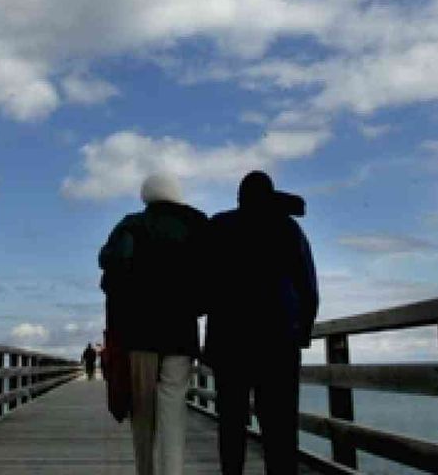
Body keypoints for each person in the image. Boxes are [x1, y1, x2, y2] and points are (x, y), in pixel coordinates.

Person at [203, 170, 318, 475]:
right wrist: (302, 333)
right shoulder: (288, 228)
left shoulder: (219, 227)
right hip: (279, 342)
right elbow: (308, 288)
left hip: (230, 343)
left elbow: (204, 284)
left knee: (231, 424)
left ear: (239, 198)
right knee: (280, 427)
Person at [99, 173, 209, 475]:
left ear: (145, 196)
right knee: (173, 409)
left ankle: (145, 470)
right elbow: (211, 283)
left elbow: (109, 275)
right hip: (180, 335)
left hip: (139, 336)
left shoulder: (131, 225)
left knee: (143, 414)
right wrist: (190, 310)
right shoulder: (198, 226)